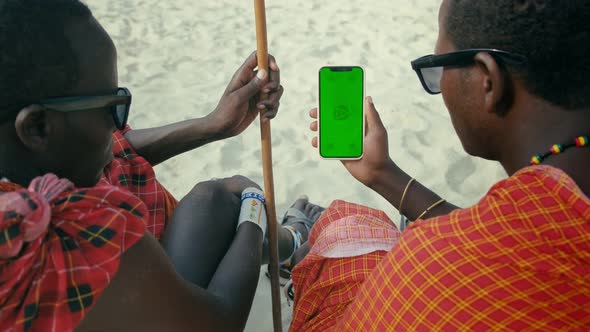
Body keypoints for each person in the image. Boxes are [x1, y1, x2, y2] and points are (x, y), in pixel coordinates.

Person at [0, 0, 323, 331]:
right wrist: (253, 206)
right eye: (112, 108)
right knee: (222, 200)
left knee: (211, 203)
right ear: (37, 127)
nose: (117, 127)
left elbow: (117, 152)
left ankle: (284, 243)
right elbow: (216, 323)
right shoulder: (69, 237)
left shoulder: (22, 167)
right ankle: (289, 242)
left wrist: (213, 124)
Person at [289, 0, 590, 330]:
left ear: (488, 79)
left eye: (437, 69)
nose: (439, 86)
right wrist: (381, 173)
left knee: (337, 232)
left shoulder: (429, 267)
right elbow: (507, 238)